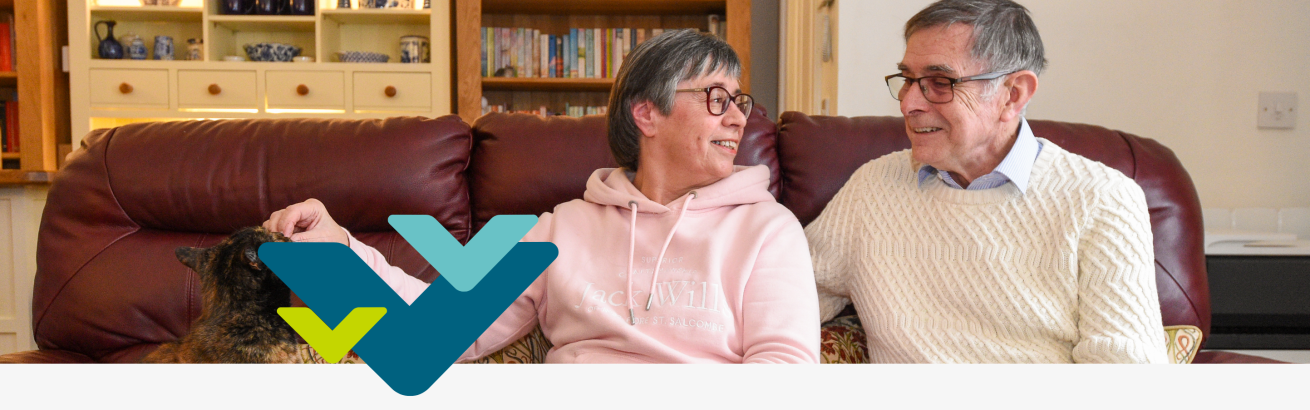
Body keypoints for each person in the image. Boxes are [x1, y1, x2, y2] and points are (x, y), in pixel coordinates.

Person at [264, 29, 820, 364]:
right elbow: (430, 335)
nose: (741, 116)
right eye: (717, 97)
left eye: (741, 99)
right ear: (646, 113)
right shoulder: (560, 228)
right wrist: (333, 248)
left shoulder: (768, 231)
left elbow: (784, 370)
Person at [805, 0, 1168, 363]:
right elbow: (779, 295)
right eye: (908, 80)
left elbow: (1126, 372)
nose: (908, 103)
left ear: (1013, 95)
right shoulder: (873, 190)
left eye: (939, 82)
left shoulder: (1103, 200)